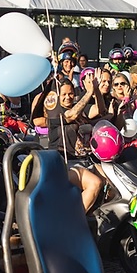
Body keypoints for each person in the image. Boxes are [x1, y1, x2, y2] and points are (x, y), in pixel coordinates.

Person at [45, 78, 105, 212]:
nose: (68, 97)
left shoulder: (80, 106)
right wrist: (88, 93)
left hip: (85, 160)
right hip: (64, 164)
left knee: (111, 180)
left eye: (71, 93)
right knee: (95, 184)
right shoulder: (54, 111)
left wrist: (95, 89)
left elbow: (100, 110)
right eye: (64, 94)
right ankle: (73, 221)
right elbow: (71, 115)